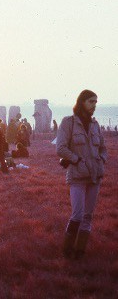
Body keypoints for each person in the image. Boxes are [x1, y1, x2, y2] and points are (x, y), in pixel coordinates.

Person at [57, 90, 107, 260]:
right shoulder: (68, 122)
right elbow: (61, 148)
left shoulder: (95, 124)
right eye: (91, 101)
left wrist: (102, 159)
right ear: (82, 102)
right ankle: (67, 250)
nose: (94, 105)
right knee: (77, 214)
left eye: (96, 102)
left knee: (88, 216)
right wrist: (76, 159)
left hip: (95, 177)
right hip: (77, 176)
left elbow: (103, 147)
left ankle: (80, 252)